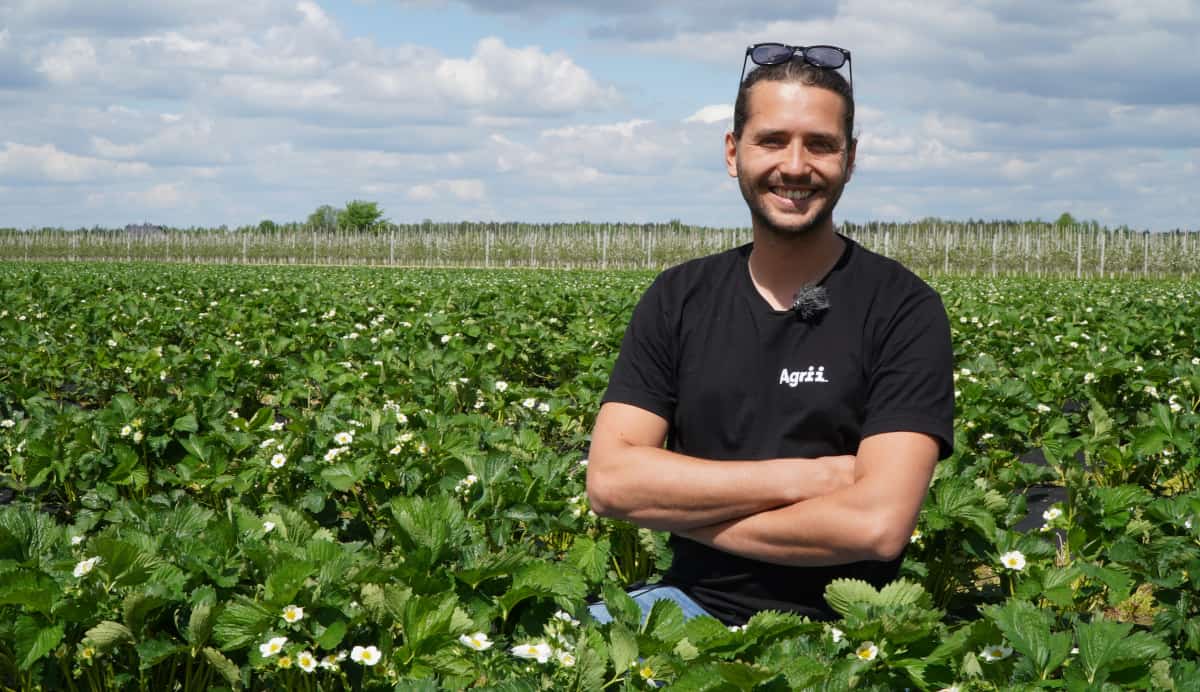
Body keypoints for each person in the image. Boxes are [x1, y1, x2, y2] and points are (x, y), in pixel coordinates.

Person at [585, 43, 955, 626]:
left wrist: (680, 512)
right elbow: (610, 482)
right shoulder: (678, 298)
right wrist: (813, 476)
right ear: (734, 152)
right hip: (685, 608)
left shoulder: (903, 309)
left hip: (846, 629)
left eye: (821, 144)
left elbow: (877, 526)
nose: (795, 165)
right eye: (773, 140)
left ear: (850, 159)